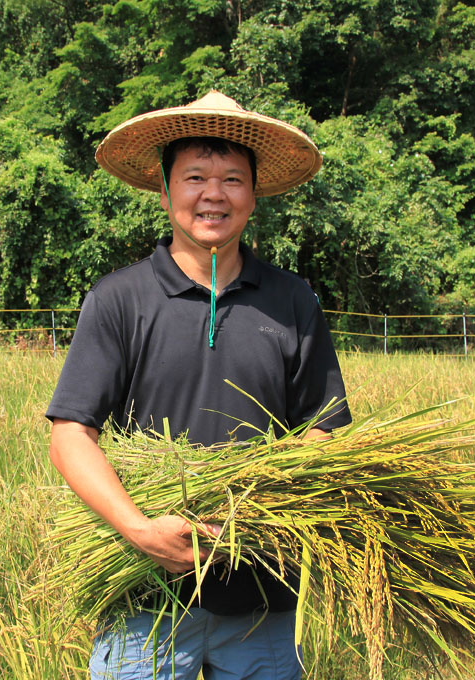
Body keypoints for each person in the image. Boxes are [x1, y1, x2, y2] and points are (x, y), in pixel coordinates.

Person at [46, 91, 350, 680]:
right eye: (195, 177)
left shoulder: (292, 300)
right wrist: (139, 530)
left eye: (233, 179)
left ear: (254, 195)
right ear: (165, 192)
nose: (214, 194)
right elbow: (71, 433)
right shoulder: (119, 299)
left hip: (266, 599)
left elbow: (326, 427)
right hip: (146, 603)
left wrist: (262, 507)